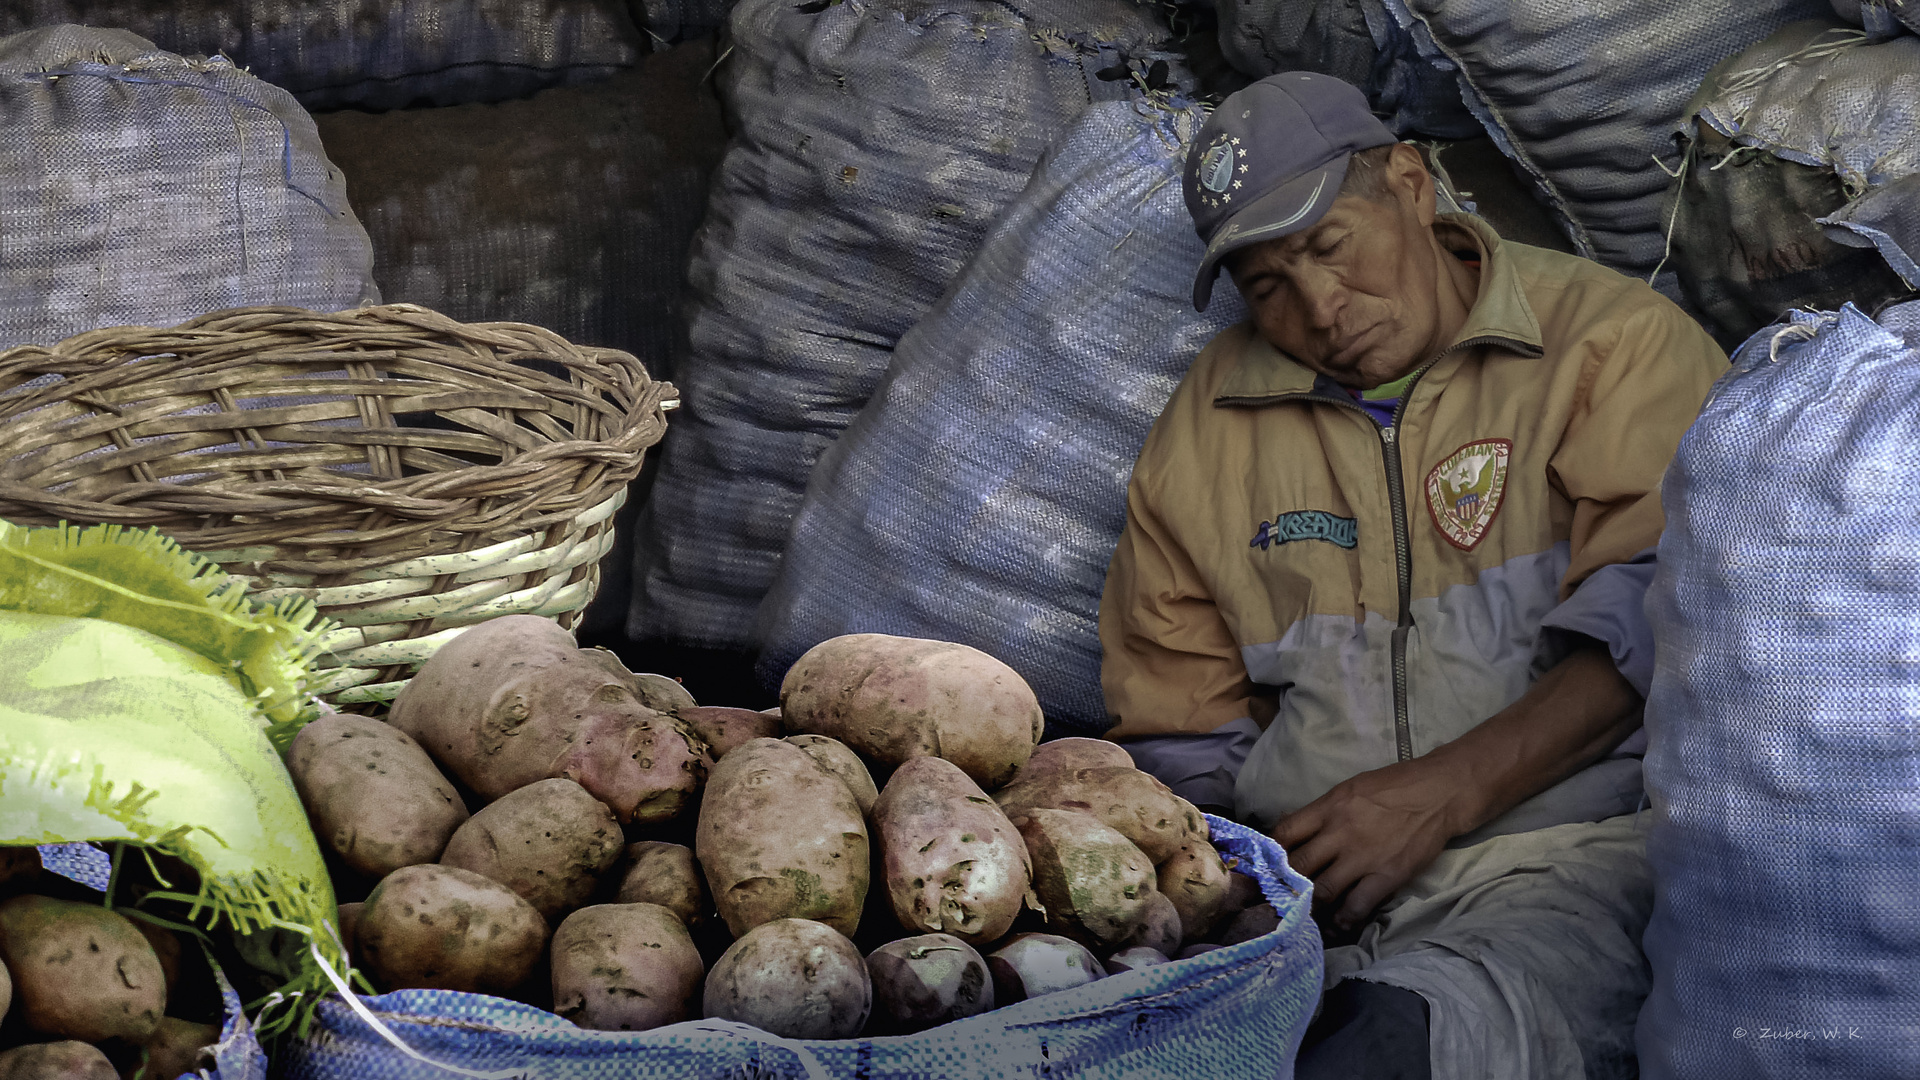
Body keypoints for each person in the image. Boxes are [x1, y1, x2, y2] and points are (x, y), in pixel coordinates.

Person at [1097, 72, 1727, 1079]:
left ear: (1410, 183)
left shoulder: (1608, 348)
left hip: (1562, 869)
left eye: (1329, 248)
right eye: (1267, 287)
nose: (1318, 308)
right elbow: (1178, 720)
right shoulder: (1204, 429)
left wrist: (1436, 795)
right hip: (1304, 901)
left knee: (1391, 1051)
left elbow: (1661, 618)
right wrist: (1230, 886)